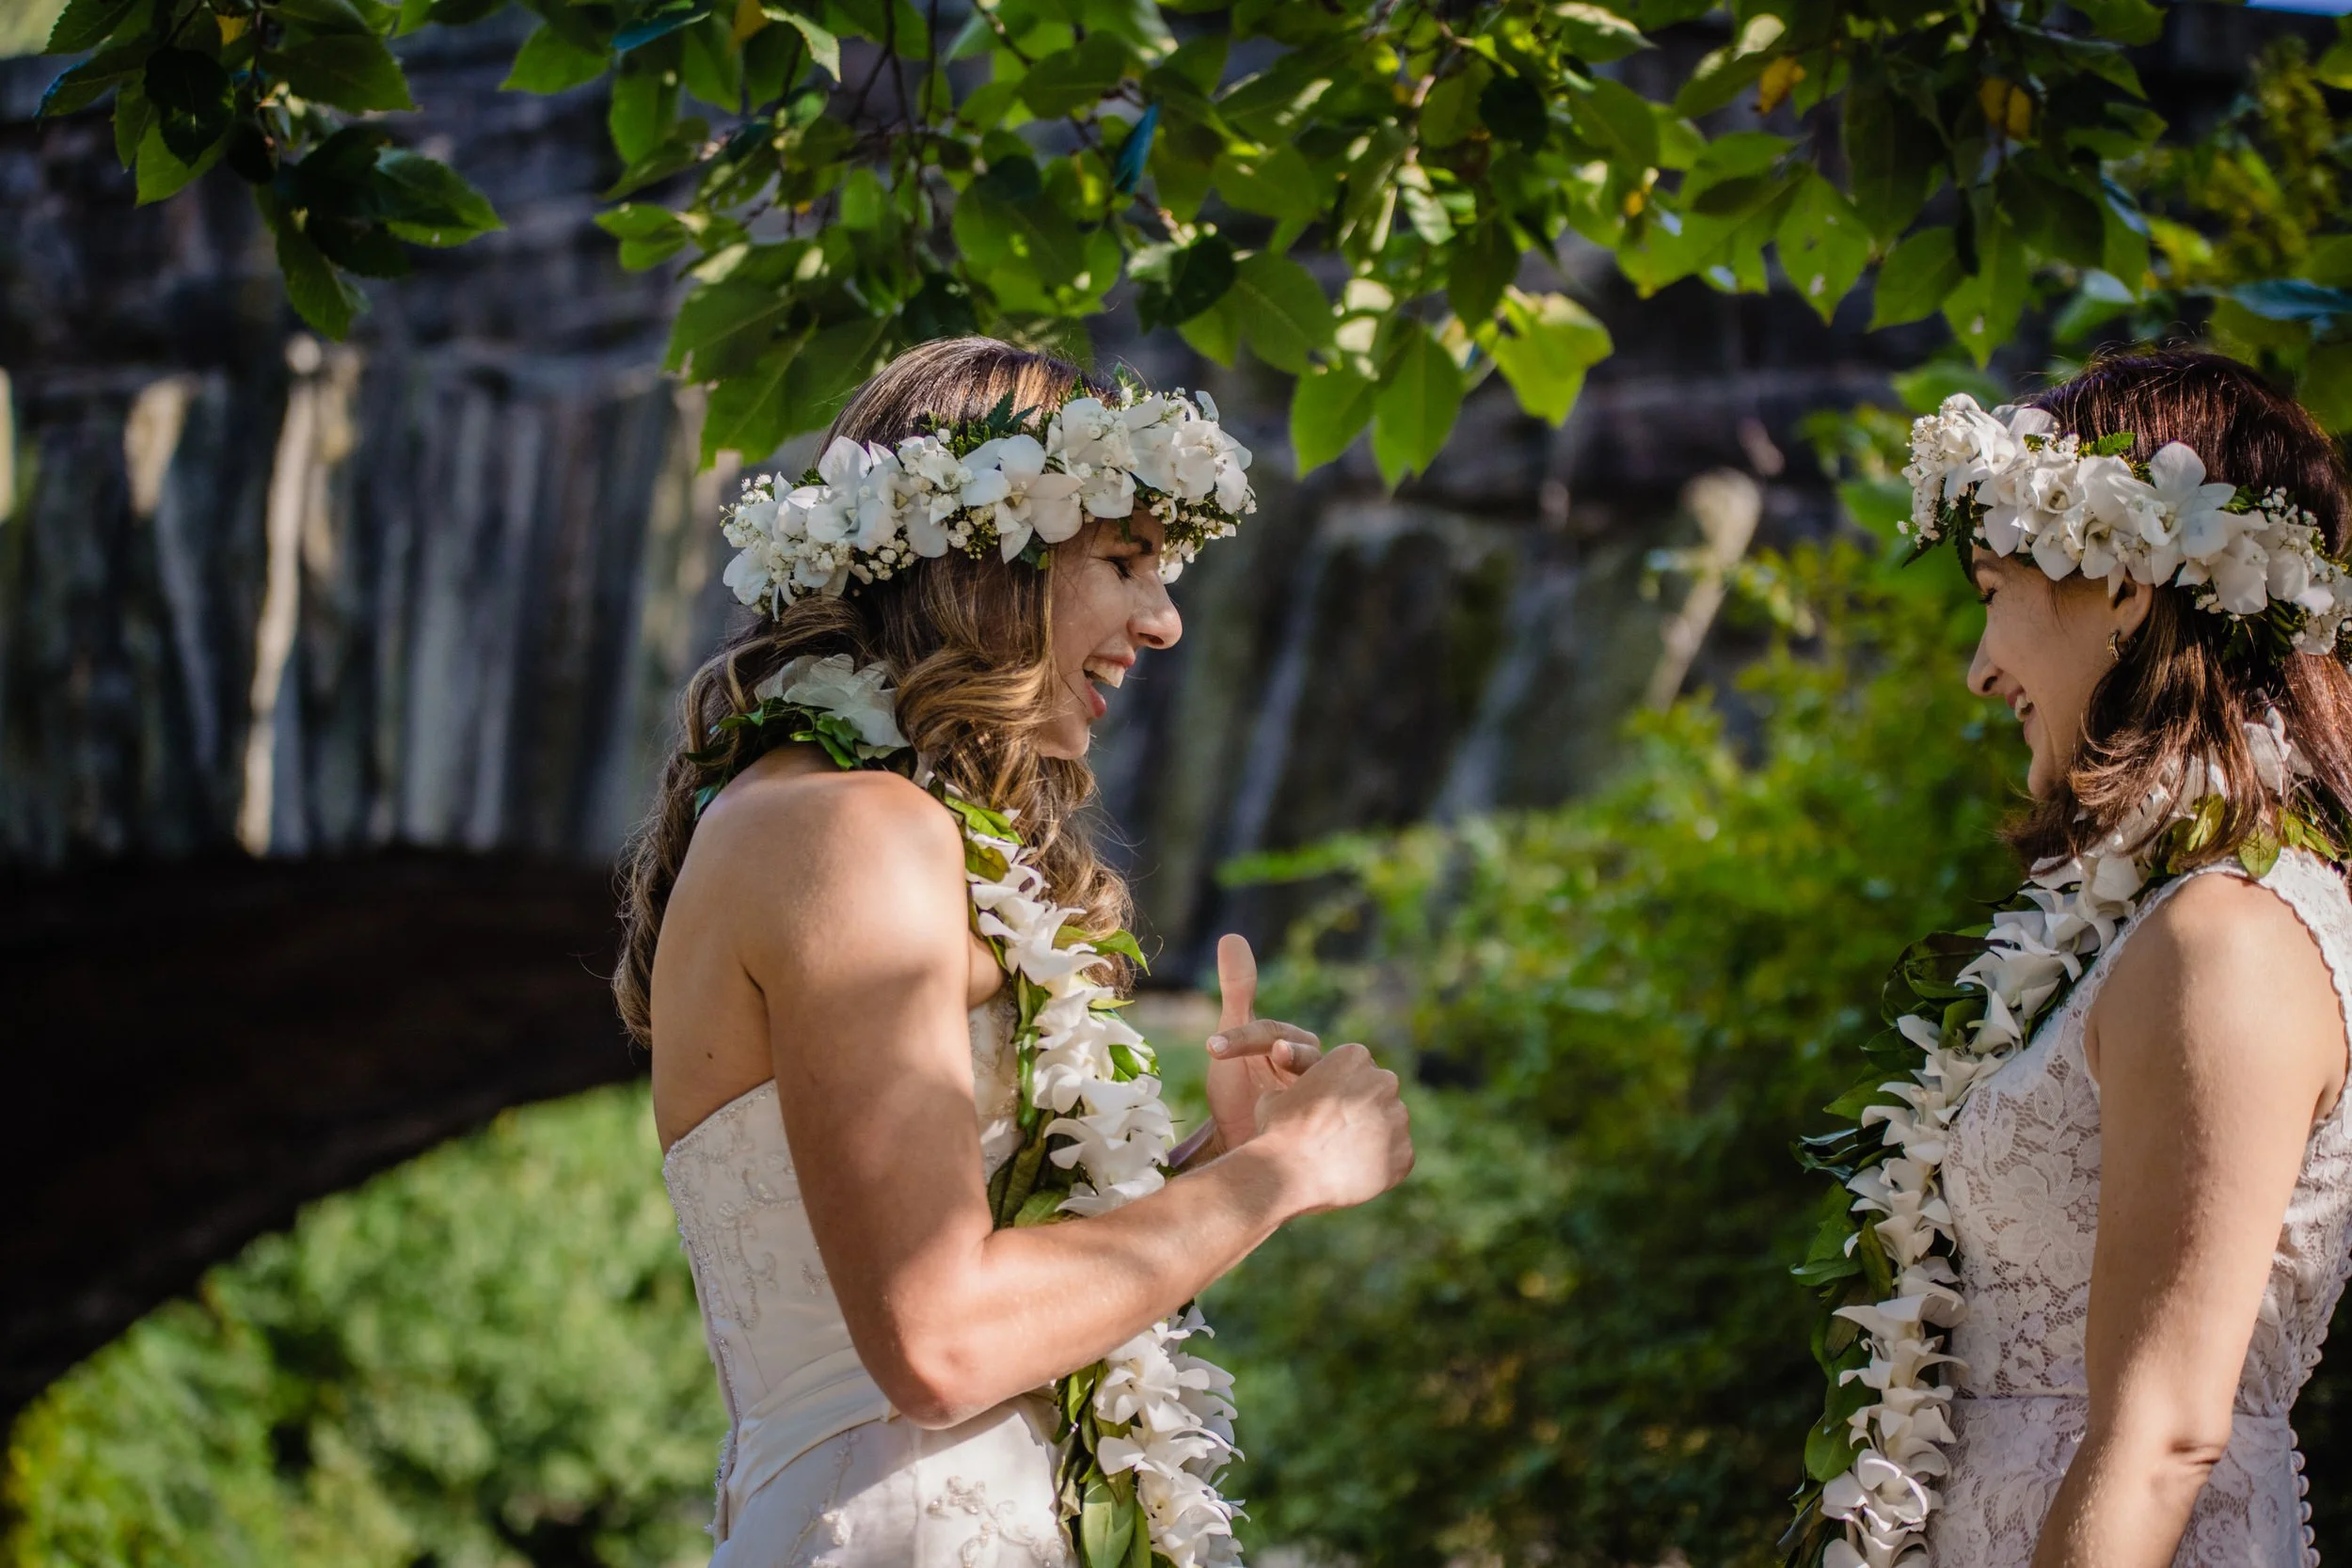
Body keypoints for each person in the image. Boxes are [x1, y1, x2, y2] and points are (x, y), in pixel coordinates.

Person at [611, 337, 1414, 1568]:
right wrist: (1290, 1171)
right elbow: (938, 1344)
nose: (1165, 619)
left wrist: (1218, 1162)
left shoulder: (860, 817)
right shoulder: (848, 827)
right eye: (1126, 559)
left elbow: (977, 1295)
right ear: (995, 549)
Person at [1794, 351, 2352, 1568]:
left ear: (2122, 585)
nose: (1980, 664)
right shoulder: (2138, 920)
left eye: (1996, 589)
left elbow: (2162, 1435)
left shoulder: (2229, 936)